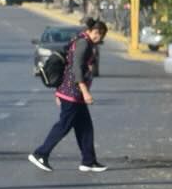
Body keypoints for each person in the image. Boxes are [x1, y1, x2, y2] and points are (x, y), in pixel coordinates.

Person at [28, 18, 110, 173]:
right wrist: (85, 91)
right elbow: (76, 68)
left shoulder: (81, 40)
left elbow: (66, 65)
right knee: (63, 126)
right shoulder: (83, 43)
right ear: (91, 31)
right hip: (73, 93)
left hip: (71, 93)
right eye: (97, 33)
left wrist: (59, 91)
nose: (99, 37)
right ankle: (40, 154)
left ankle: (88, 161)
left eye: (102, 35)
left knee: (85, 127)